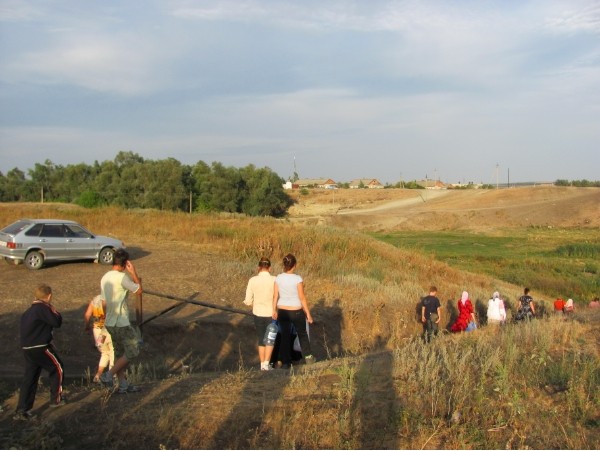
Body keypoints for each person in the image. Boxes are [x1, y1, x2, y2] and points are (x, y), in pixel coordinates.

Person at [14, 284, 65, 421]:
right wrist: (52, 308)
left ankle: (22, 409)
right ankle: (56, 399)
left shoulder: (28, 311)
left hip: (27, 348)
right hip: (40, 347)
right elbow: (57, 321)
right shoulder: (43, 308)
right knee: (57, 369)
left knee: (30, 377)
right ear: (48, 296)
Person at [99, 248, 143, 394]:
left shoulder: (105, 277)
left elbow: (103, 302)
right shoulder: (122, 277)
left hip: (110, 322)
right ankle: (108, 375)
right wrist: (133, 273)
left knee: (119, 354)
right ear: (125, 264)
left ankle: (123, 384)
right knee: (133, 350)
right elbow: (138, 290)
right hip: (121, 322)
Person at [272, 254, 315, 368]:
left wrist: (274, 310)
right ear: (294, 265)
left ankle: (285, 361)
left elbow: (275, 296)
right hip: (296, 310)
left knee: (285, 335)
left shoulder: (278, 278)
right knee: (302, 334)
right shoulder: (297, 279)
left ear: (284, 265)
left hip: (282, 310)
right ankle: (308, 358)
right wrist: (308, 314)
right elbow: (302, 298)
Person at [243, 257, 276, 371]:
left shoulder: (252, 280)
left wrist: (253, 303)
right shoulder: (274, 280)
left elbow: (247, 301)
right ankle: (267, 364)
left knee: (261, 338)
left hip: (258, 313)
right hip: (271, 314)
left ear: (258, 268)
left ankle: (262, 364)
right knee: (270, 339)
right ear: (270, 268)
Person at [84, 294, 115, 383]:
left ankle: (98, 375)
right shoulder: (111, 299)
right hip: (108, 330)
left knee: (104, 352)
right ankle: (112, 376)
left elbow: (87, 315)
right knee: (113, 351)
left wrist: (86, 326)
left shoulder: (95, 300)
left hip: (98, 331)